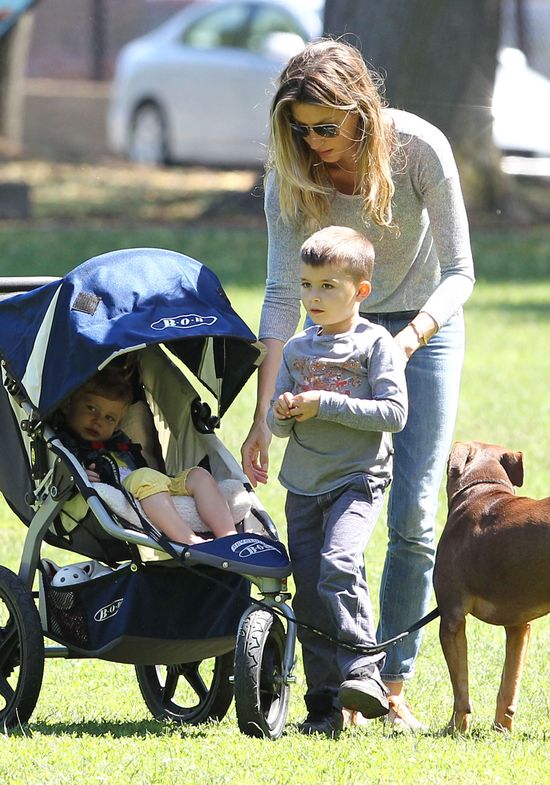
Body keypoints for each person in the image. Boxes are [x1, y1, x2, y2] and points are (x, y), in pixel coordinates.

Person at [241, 38, 475, 731]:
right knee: (325, 511)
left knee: (412, 516)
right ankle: (339, 681)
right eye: (299, 128)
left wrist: (408, 338)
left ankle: (388, 680)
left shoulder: (420, 149)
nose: (313, 143)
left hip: (421, 324)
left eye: (325, 127)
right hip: (328, 325)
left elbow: (462, 270)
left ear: (362, 114)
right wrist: (261, 414)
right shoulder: (291, 172)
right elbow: (284, 293)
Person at [267, 225, 407, 736]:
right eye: (307, 285)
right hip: (303, 486)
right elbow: (275, 426)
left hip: (357, 479)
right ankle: (323, 705)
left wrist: (324, 402)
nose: (314, 297)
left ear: (360, 291)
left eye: (328, 286)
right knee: (309, 595)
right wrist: (281, 411)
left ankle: (365, 670)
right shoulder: (296, 350)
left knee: (339, 563)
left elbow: (394, 413)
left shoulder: (376, 344)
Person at [57, 367, 238, 546]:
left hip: (150, 487)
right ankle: (188, 541)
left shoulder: (120, 441)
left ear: (118, 424)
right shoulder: (65, 443)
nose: (98, 421)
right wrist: (76, 477)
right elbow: (57, 475)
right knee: (145, 476)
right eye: (91, 408)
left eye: (109, 418)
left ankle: (228, 538)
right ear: (67, 405)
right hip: (126, 489)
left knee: (198, 475)